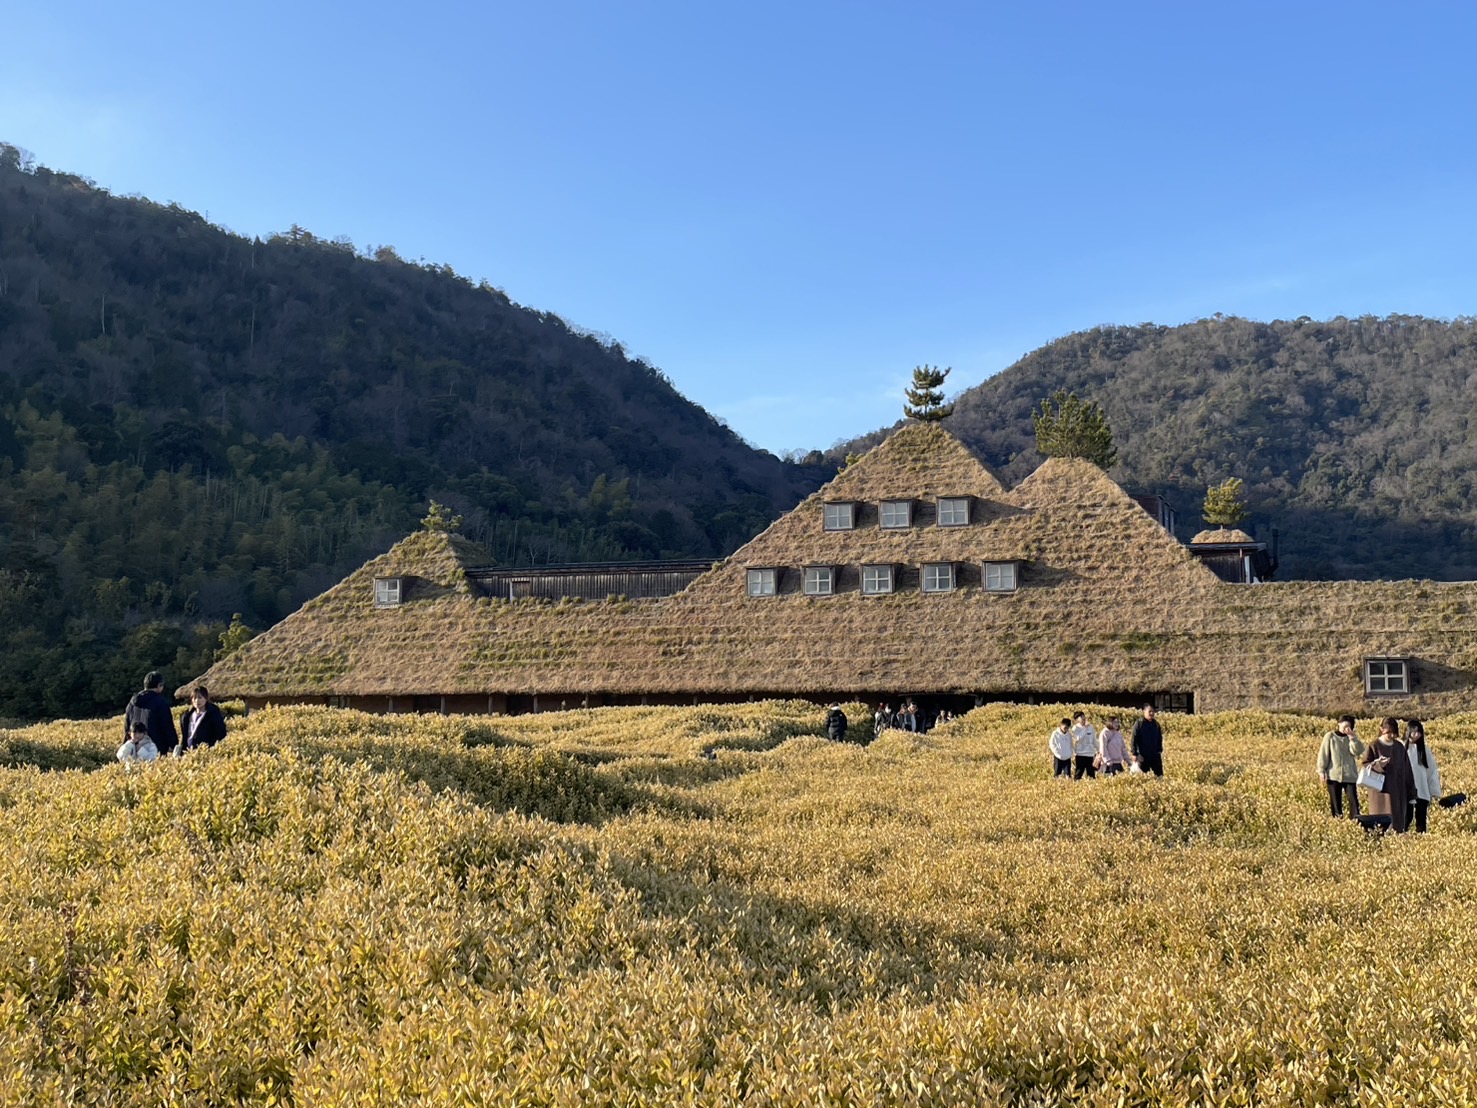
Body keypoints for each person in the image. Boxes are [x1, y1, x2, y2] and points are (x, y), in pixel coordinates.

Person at [1362, 717, 1416, 833]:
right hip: (1380, 793)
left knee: (1397, 825)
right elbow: (1366, 765)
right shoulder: (1374, 746)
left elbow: (1408, 771)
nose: (1391, 736)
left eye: (1394, 733)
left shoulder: (1399, 747)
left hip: (1398, 792)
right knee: (1380, 825)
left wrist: (1411, 794)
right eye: (1388, 732)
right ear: (1381, 729)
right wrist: (1379, 765)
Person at [1316, 715, 1363, 818]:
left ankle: (1356, 820)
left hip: (1349, 775)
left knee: (1353, 801)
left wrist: (1353, 738)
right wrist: (1321, 770)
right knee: (1336, 802)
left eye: (1348, 726)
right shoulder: (1330, 736)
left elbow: (1357, 752)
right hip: (1333, 775)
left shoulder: (1351, 738)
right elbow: (1323, 754)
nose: (1345, 728)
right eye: (1343, 725)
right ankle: (1338, 821)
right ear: (1339, 724)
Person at [123, 671, 179, 756]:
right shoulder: (160, 702)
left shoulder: (132, 703)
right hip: (154, 749)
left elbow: (127, 727)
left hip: (134, 749)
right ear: (159, 685)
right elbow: (167, 726)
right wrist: (173, 744)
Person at [1405, 719, 1441, 833]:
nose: (1416, 735)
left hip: (1422, 789)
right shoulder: (1402, 748)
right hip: (1407, 790)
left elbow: (1432, 771)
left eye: (1419, 732)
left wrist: (1433, 791)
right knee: (1407, 818)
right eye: (1413, 731)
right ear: (1408, 731)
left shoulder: (1424, 750)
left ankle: (1420, 838)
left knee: (1421, 820)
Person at [178, 685, 228, 754]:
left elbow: (221, 733)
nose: (197, 701)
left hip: (204, 752)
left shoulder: (213, 714)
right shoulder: (186, 716)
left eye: (200, 698)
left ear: (206, 699)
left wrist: (210, 747)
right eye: (194, 698)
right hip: (187, 752)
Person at [1130, 704, 1164, 777]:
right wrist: (1135, 754)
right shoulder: (1139, 723)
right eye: (1149, 711)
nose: (1151, 713)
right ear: (1144, 711)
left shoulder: (1156, 724)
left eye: (1153, 711)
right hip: (1142, 755)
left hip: (1155, 755)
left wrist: (1159, 750)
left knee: (1159, 775)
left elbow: (1159, 738)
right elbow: (1134, 739)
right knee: (1144, 776)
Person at [1071, 711, 1097, 779]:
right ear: (1077, 719)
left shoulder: (1090, 727)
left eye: (1084, 717)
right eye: (1081, 717)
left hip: (1090, 754)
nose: (1083, 719)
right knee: (1078, 773)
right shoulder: (1075, 728)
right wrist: (1084, 728)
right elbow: (1078, 739)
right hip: (1080, 754)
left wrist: (1098, 749)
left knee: (1091, 774)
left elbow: (1094, 739)